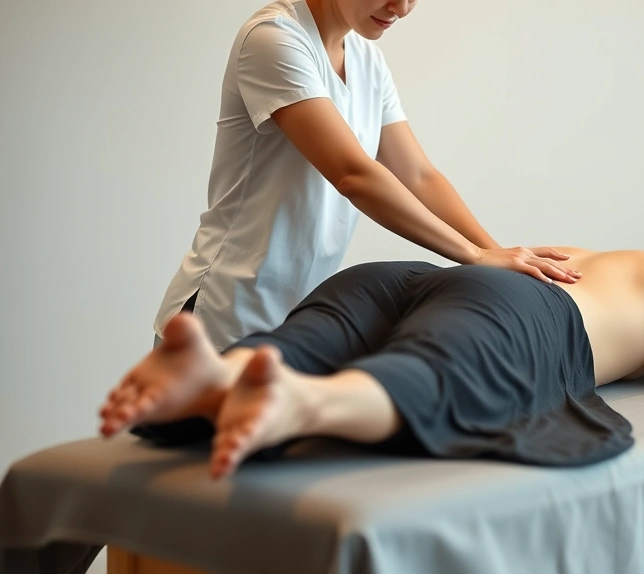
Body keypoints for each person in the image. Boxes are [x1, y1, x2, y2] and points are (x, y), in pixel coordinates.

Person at [102, 237, 644, 479]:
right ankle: (299, 405)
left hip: (409, 279)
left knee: (304, 344)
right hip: (521, 311)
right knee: (433, 374)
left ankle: (221, 372)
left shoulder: (606, 260)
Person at [152, 0, 580, 351]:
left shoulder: (367, 60)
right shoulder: (273, 39)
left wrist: (497, 256)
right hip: (221, 318)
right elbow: (353, 174)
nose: (403, 8)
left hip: (294, 323)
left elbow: (418, 175)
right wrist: (475, 256)